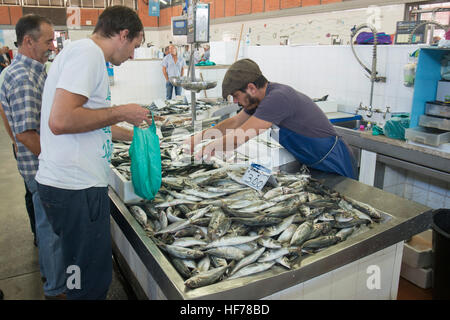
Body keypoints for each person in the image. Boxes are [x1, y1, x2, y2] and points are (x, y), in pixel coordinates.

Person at [35, 5, 151, 300]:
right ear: (123, 35)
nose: (133, 55)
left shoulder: (82, 53)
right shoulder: (88, 55)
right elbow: (61, 121)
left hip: (71, 187)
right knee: (87, 280)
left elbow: (85, 120)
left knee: (78, 267)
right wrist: (121, 111)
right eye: (135, 46)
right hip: (75, 190)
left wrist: (135, 135)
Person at [186, 58, 357, 179]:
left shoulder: (278, 98)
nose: (236, 102)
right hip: (314, 163)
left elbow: (240, 136)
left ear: (251, 88)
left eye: (236, 96)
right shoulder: (259, 101)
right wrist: (199, 137)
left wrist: (207, 149)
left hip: (334, 162)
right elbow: (235, 122)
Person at [0, 14, 67, 299]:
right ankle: (56, 289)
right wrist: (56, 164)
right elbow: (26, 134)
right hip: (41, 169)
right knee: (52, 232)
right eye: (48, 40)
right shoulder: (24, 77)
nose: (52, 45)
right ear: (28, 41)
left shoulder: (35, 70)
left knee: (46, 226)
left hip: (39, 166)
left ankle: (48, 274)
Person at [0, 65, 37, 247]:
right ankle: (37, 234)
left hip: (30, 147)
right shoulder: (16, 75)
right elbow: (4, 110)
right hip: (27, 151)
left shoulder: (36, 70)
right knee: (32, 194)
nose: (52, 48)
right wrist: (14, 140)